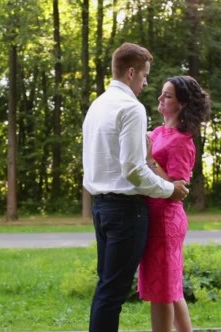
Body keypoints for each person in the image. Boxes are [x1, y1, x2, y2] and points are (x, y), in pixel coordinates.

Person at [82, 43, 190, 332]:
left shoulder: (97, 106)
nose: (145, 84)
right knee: (113, 292)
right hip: (126, 211)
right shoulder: (131, 108)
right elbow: (133, 168)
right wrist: (169, 190)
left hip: (100, 207)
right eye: (144, 76)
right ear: (131, 72)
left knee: (106, 286)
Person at [138, 76, 211, 332]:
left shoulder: (182, 140)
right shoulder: (158, 132)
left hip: (166, 221)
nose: (160, 98)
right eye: (162, 93)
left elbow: (176, 189)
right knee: (171, 288)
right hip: (153, 218)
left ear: (181, 104)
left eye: (167, 96)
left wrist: (150, 160)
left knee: (162, 292)